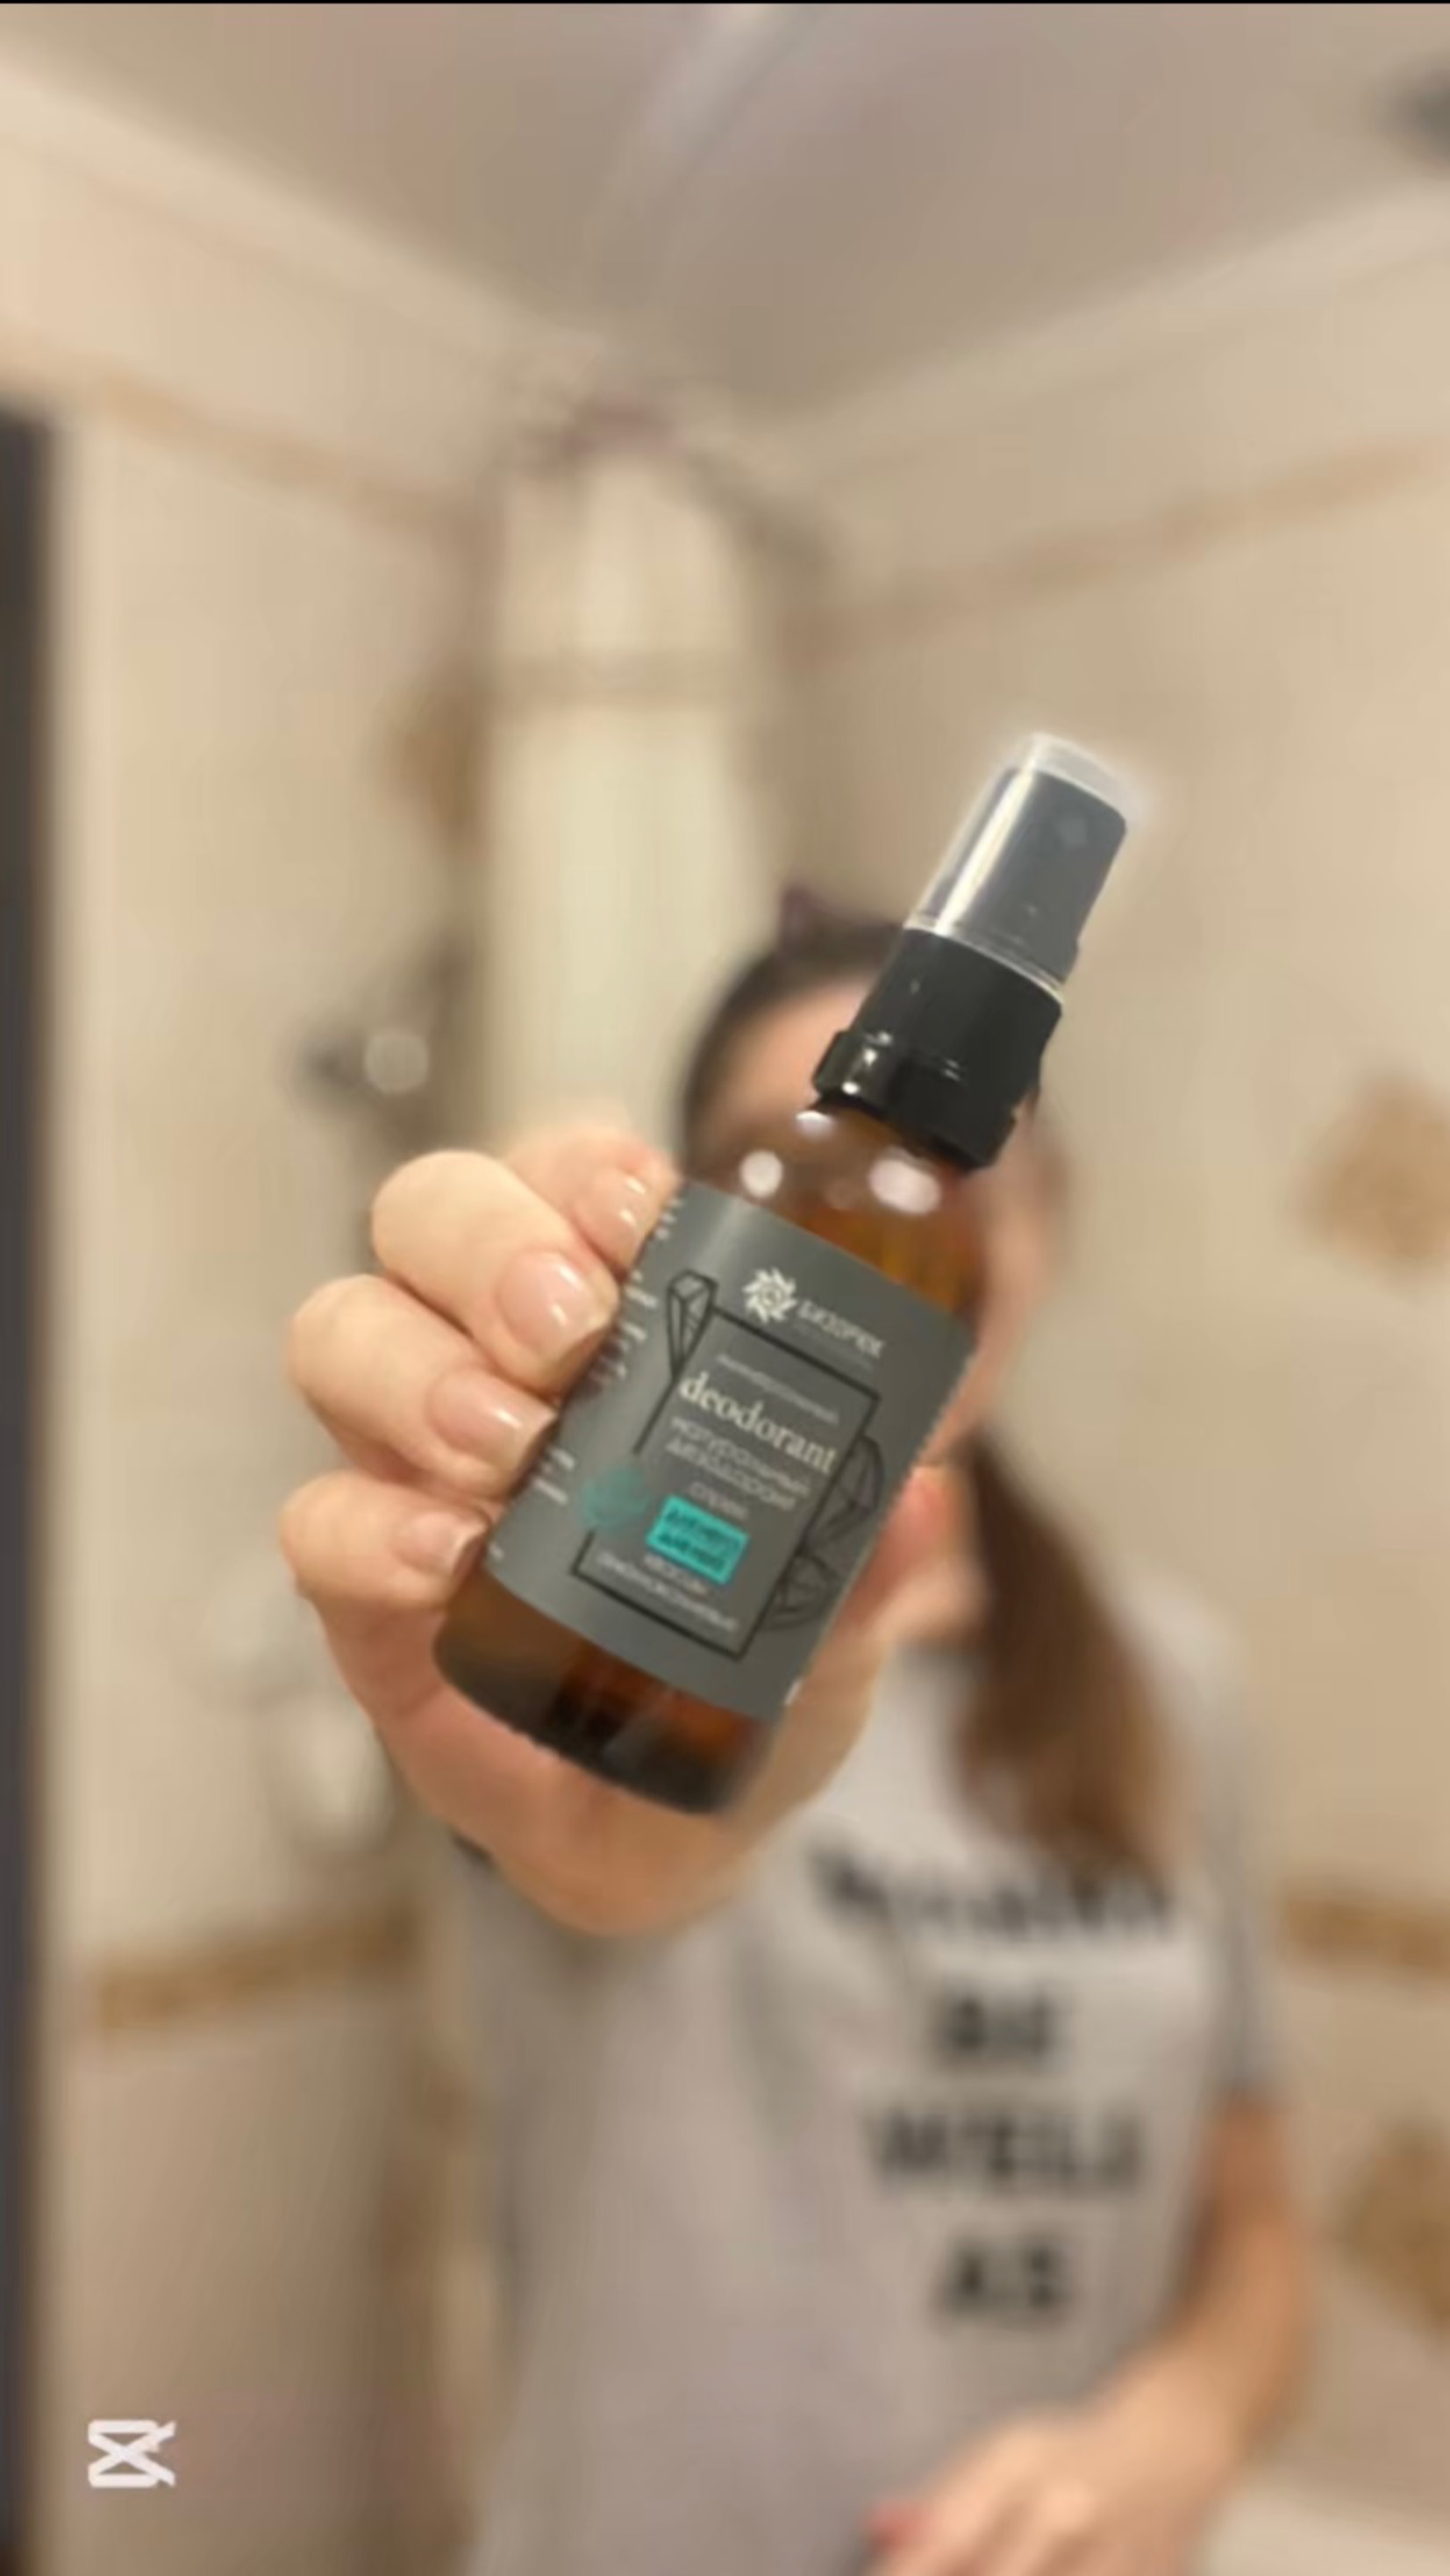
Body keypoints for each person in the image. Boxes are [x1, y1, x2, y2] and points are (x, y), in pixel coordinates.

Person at [283, 907, 1311, 2576]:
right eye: (812, 1155)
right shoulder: (601, 1633)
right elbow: (600, 1858)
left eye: (966, 1162)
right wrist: (615, 1818)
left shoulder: (1171, 1681)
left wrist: (1175, 2433)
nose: (883, 1210)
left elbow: (1253, 2227)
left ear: (1045, 1224)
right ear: (693, 1236)